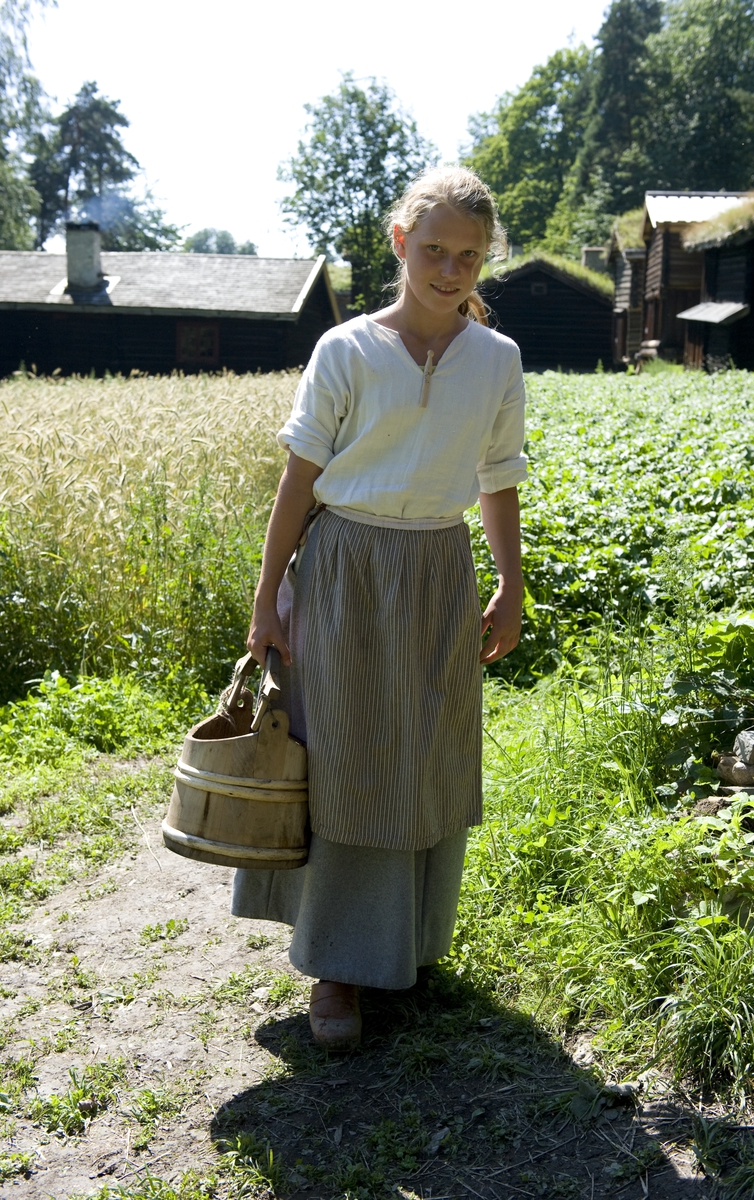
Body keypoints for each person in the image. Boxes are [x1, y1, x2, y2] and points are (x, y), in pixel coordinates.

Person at [234, 166, 527, 1052]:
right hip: (345, 566)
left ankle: (409, 945)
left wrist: (511, 584)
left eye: (468, 256)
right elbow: (299, 479)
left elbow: (500, 479)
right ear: (400, 243)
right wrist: (265, 601)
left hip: (440, 565)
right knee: (349, 756)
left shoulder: (498, 360)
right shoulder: (347, 351)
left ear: (484, 261)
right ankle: (336, 971)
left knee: (426, 752)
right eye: (434, 249)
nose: (450, 269)